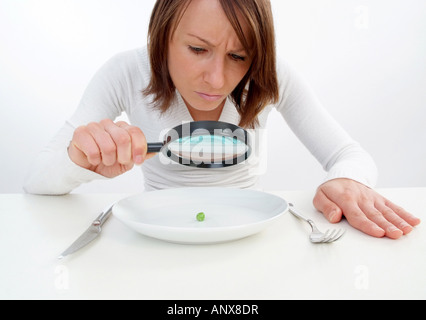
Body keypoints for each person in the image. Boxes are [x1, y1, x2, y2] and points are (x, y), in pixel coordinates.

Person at [24, 0, 420, 239]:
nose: (217, 80)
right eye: (198, 49)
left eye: (238, 56)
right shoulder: (126, 71)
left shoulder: (270, 75)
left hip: (248, 232)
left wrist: (348, 180)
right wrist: (78, 158)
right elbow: (37, 180)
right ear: (161, 37)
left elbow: (349, 153)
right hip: (157, 234)